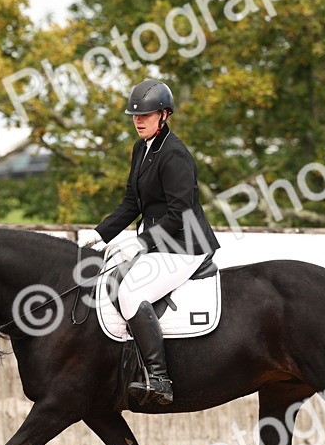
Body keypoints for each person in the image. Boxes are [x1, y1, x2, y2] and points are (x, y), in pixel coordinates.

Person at [77, 79, 220, 405]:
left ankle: (159, 378)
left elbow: (179, 213)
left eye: (147, 114)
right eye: (135, 115)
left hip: (187, 245)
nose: (139, 120)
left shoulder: (175, 155)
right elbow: (132, 203)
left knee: (131, 291)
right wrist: (99, 234)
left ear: (164, 115)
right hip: (159, 242)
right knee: (109, 279)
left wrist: (140, 242)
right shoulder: (142, 149)